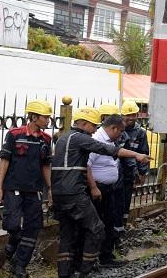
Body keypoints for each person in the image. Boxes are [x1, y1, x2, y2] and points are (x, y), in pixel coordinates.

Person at [51, 106, 151, 278]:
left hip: (60, 194)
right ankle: (85, 272)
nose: (95, 129)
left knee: (68, 235)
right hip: (74, 193)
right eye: (93, 125)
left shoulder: (63, 138)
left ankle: (65, 274)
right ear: (83, 123)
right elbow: (107, 149)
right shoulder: (80, 138)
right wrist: (137, 155)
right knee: (97, 229)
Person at [0, 99, 54, 277]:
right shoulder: (14, 134)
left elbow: (45, 166)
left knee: (33, 228)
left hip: (34, 191)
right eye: (45, 117)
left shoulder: (45, 140)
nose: (48, 120)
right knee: (12, 224)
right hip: (13, 188)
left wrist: (50, 189)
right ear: (34, 117)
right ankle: (12, 245)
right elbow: (5, 160)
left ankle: (20, 265)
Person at [87, 115, 127, 267]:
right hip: (99, 189)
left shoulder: (109, 140)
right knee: (99, 224)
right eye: (121, 131)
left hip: (108, 188)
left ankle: (106, 257)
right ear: (113, 128)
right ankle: (94, 258)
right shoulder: (97, 140)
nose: (121, 134)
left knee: (109, 221)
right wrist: (93, 187)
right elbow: (87, 166)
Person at [119, 100, 150, 229]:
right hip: (116, 171)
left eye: (133, 115)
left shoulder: (140, 133)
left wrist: (142, 173)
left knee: (125, 201)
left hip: (130, 172)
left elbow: (143, 153)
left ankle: (122, 225)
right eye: (128, 115)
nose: (131, 118)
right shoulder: (117, 129)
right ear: (122, 115)